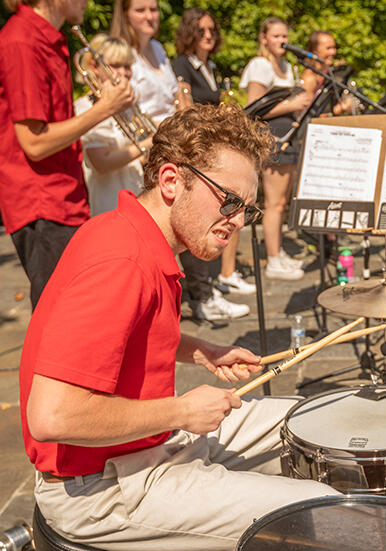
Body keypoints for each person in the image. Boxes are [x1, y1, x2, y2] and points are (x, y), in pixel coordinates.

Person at [21, 103, 336, 551]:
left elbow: (126, 334)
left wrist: (199, 351)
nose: (238, 219)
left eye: (247, 208)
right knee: (320, 515)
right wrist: (181, 411)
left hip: (138, 452)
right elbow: (52, 417)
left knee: (314, 422)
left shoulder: (133, 233)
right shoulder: (121, 262)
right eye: (229, 201)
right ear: (171, 181)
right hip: (97, 488)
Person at [111, 0, 250, 320]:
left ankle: (197, 293)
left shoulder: (158, 50)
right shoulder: (122, 54)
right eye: (141, 10)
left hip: (169, 143)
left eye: (154, 9)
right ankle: (165, 301)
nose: (150, 16)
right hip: (139, 147)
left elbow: (175, 97)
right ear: (125, 14)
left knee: (191, 220)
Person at [0, 0, 135, 308]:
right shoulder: (22, 40)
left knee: (73, 308)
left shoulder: (50, 38)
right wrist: (105, 109)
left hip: (62, 195)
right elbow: (34, 144)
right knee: (59, 313)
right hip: (42, 201)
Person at [172, 7, 256, 298]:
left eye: (212, 30)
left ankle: (223, 275)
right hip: (198, 148)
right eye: (201, 31)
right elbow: (184, 108)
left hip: (214, 145)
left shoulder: (209, 67)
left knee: (233, 211)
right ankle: (204, 288)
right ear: (189, 34)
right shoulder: (182, 65)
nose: (208, 35)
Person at [240, 17, 311, 281]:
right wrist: (292, 105)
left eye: (285, 36)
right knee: (273, 203)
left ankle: (278, 252)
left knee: (282, 203)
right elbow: (254, 107)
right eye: (276, 36)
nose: (283, 41)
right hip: (271, 139)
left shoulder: (286, 66)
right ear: (264, 39)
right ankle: (272, 258)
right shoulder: (260, 65)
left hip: (288, 137)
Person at [74, 34, 151, 216]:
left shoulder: (127, 106)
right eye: (115, 65)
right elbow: (101, 163)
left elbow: (137, 157)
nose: (123, 73)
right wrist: (147, 144)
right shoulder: (87, 107)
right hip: (107, 205)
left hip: (136, 196)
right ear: (94, 66)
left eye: (127, 66)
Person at [301, 30, 354, 116]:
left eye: (334, 48)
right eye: (328, 48)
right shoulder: (310, 78)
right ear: (315, 51)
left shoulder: (328, 73)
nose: (333, 52)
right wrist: (340, 109)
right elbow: (307, 116)